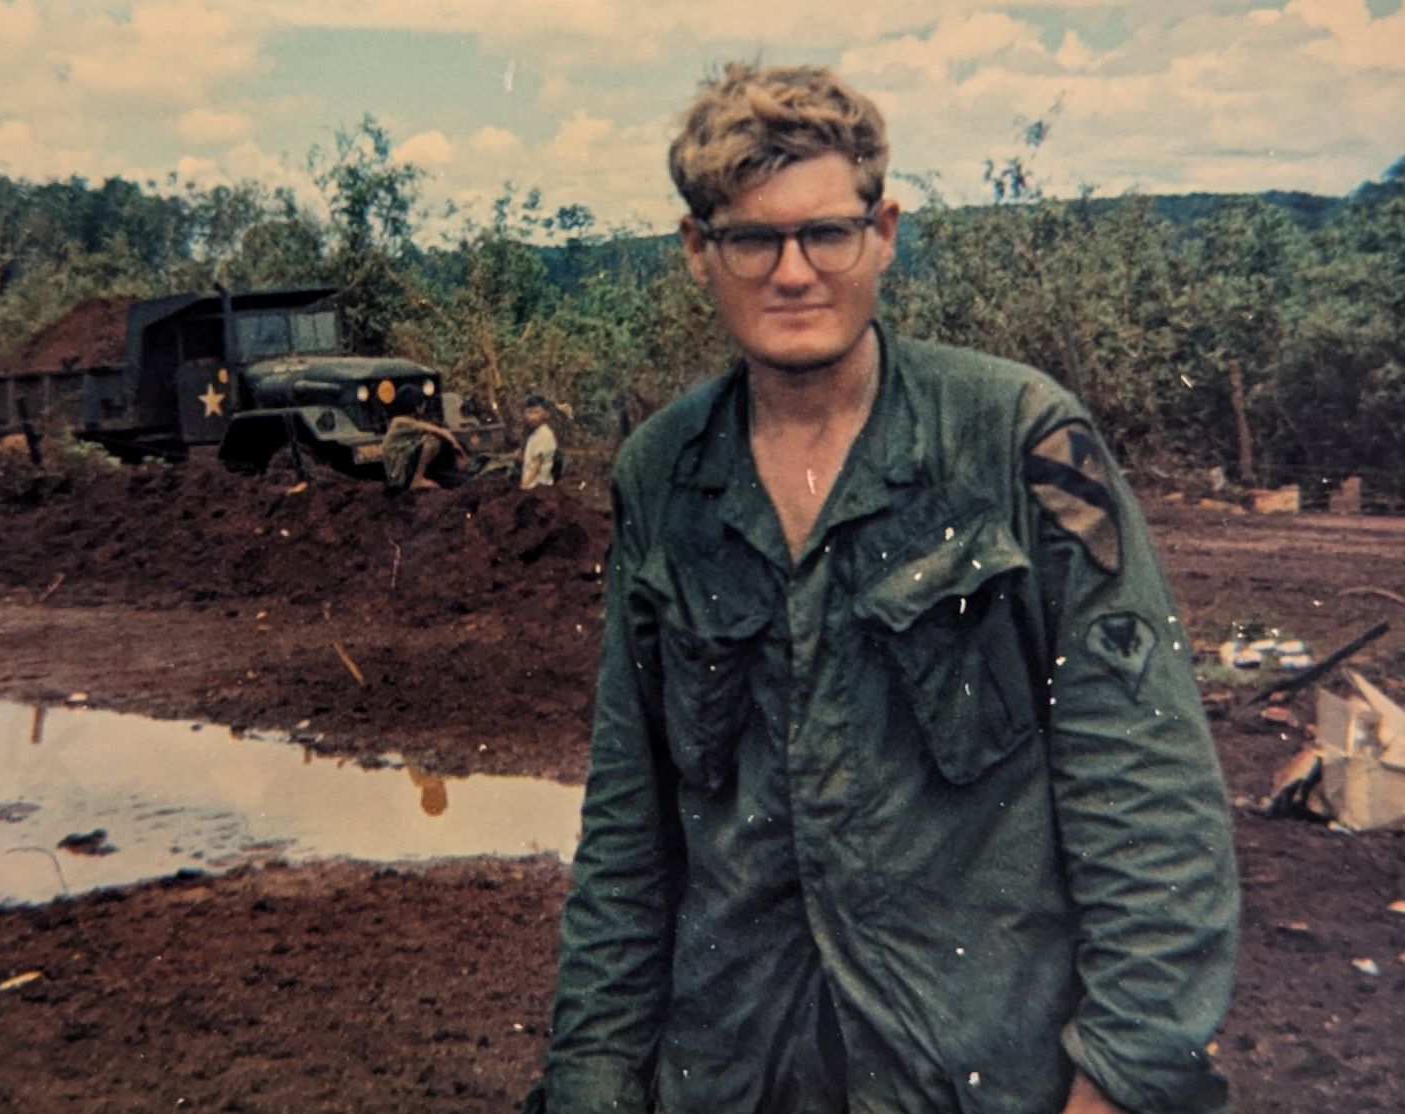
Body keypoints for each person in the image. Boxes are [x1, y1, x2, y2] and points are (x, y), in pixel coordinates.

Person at [530, 62, 1239, 1114]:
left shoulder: (1014, 437)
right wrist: (591, 1080)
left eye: (826, 231)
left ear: (884, 232)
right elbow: (632, 817)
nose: (792, 272)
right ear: (697, 252)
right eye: (751, 238)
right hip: (737, 1071)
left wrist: (1123, 1074)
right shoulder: (662, 472)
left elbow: (1142, 779)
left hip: (982, 1072)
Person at [380, 383, 466, 491]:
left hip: (400, 468)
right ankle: (418, 479)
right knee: (432, 440)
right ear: (417, 406)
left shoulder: (403, 422)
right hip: (398, 474)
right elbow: (439, 431)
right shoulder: (401, 422)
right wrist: (457, 447)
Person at [520, 394, 559, 489]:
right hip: (533, 485)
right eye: (529, 412)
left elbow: (536, 464)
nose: (532, 417)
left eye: (536, 412)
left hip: (538, 486)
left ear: (546, 414)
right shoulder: (535, 434)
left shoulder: (544, 435)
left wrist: (524, 486)